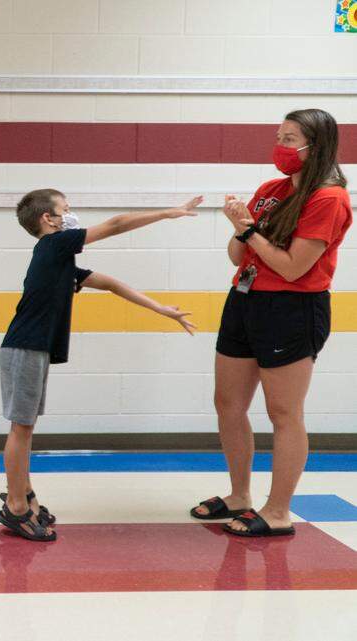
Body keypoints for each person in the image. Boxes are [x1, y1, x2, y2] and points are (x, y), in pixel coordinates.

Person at [0, 188, 200, 541]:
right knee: (21, 428)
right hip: (25, 347)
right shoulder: (54, 245)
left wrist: (160, 309)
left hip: (33, 348)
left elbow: (110, 284)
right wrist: (169, 213)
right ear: (49, 219)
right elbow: (117, 223)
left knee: (25, 427)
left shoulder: (59, 260)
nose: (71, 215)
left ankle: (24, 493)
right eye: (66, 209)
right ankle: (16, 506)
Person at [191, 108, 351, 538]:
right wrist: (241, 229)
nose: (280, 146)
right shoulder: (270, 189)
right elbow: (237, 255)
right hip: (245, 300)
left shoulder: (329, 198)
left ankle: (278, 510)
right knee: (227, 402)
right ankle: (239, 496)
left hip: (293, 308)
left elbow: (294, 266)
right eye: (278, 137)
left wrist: (248, 232)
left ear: (314, 146)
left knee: (283, 411)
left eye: (289, 138)